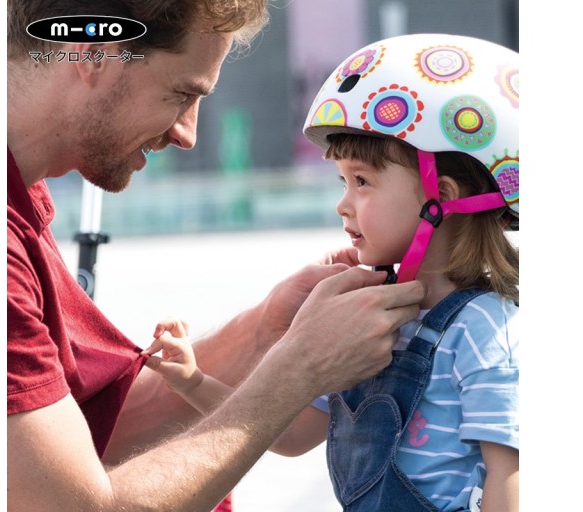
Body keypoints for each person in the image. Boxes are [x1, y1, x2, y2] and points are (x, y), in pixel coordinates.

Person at [6, 2, 428, 511]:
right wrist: (299, 368)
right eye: (181, 93)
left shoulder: (18, 200)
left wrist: (267, 332)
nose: (188, 135)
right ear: (93, 51)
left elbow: (80, 435)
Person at [142, 33, 520, 512]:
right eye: (343, 181)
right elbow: (292, 434)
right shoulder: (361, 321)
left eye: (362, 181)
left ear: (441, 195)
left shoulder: (486, 331)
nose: (343, 203)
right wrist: (193, 380)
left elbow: (512, 478)